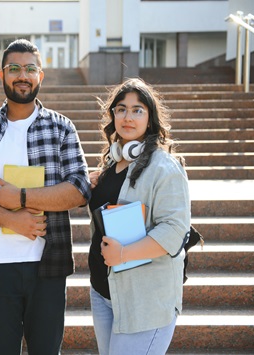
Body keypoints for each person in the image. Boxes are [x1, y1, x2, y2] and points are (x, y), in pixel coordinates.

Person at [0, 39, 91, 355]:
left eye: (30, 69)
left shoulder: (61, 128)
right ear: (2, 75)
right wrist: (7, 216)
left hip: (48, 265)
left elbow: (80, 188)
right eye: (14, 68)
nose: (22, 76)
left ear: (40, 76)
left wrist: (22, 197)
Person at [88, 78, 191, 354]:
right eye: (121, 109)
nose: (128, 117)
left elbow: (174, 230)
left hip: (144, 301)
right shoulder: (112, 162)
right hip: (104, 292)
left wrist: (123, 254)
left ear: (150, 117)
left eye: (137, 110)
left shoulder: (164, 167)